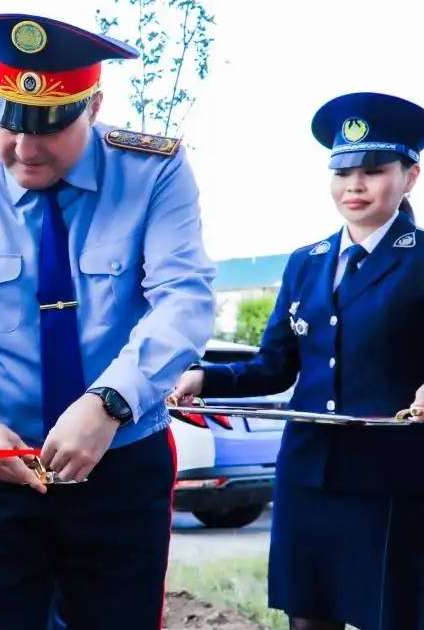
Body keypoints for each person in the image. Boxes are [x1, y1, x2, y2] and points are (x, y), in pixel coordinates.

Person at [0, 13, 215, 630]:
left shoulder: (155, 174)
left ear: (93, 105)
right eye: (7, 123)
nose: (24, 148)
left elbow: (185, 299)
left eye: (49, 127)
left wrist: (109, 402)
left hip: (120, 461)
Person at [170, 92, 424, 630]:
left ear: (410, 176)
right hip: (308, 476)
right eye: (342, 172)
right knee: (307, 619)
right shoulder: (304, 265)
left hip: (393, 482)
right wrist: (202, 376)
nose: (354, 186)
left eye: (373, 170)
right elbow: (273, 367)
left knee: (393, 615)